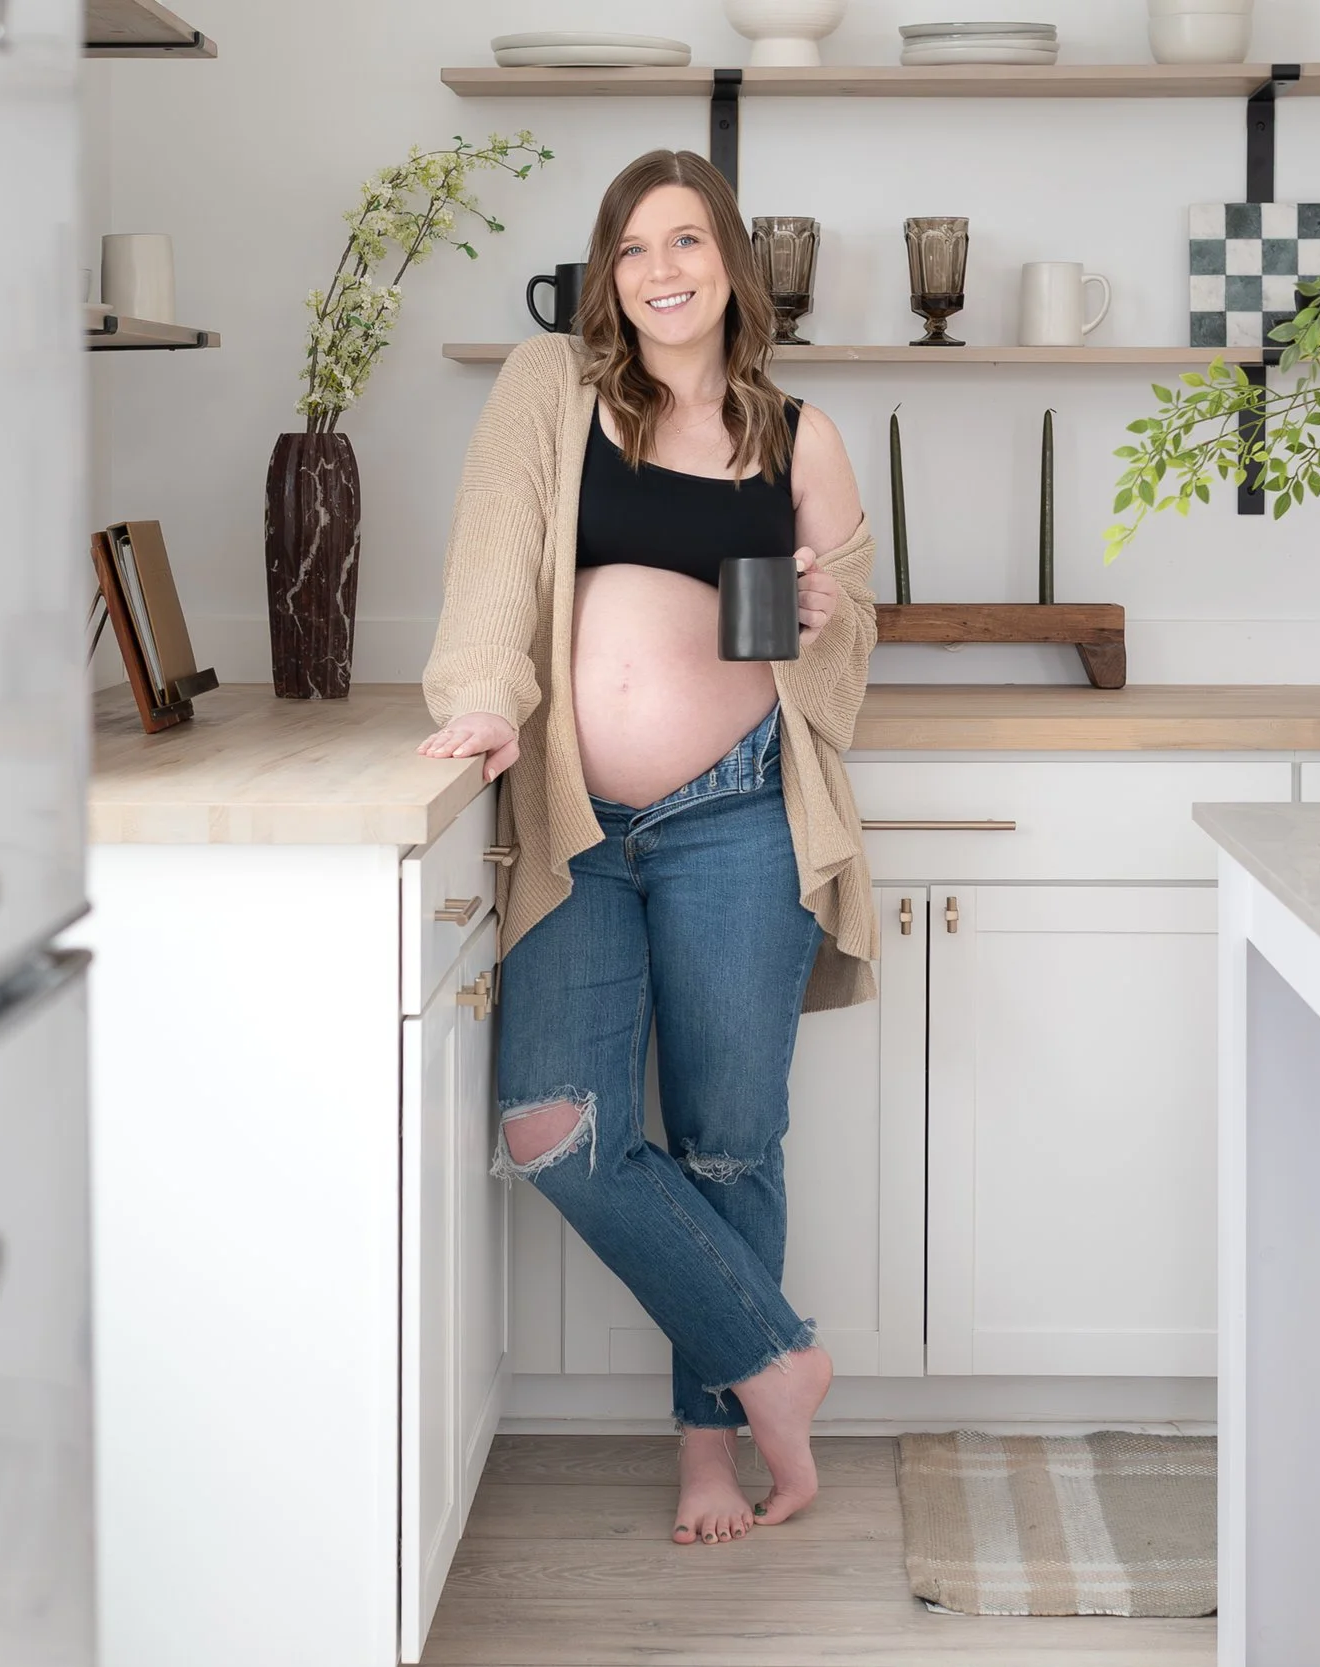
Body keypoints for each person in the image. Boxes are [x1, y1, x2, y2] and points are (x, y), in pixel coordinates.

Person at [417, 148, 879, 1547]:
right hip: (573, 820)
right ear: (606, 273)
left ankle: (709, 1453)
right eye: (632, 248)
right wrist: (485, 699)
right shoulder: (551, 389)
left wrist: (815, 621)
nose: (661, 270)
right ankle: (774, 1355)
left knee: (731, 1145)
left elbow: (848, 650)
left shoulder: (801, 435)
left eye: (687, 241)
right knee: (552, 1124)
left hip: (741, 812)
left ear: (733, 261)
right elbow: (494, 557)